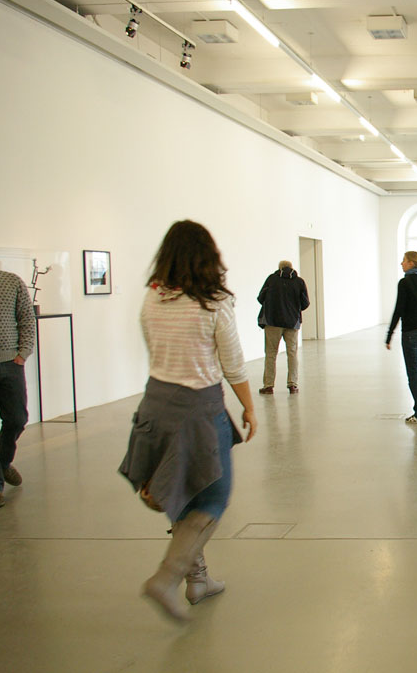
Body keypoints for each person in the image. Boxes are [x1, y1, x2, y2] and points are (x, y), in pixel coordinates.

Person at [119, 220, 257, 621]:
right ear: (208, 256)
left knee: (181, 492)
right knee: (213, 497)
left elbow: (155, 349)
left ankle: (198, 579)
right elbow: (233, 363)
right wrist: (248, 407)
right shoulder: (214, 301)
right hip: (199, 409)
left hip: (155, 404)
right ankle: (168, 577)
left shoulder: (153, 297)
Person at [0, 266, 35, 508]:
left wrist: (23, 353)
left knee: (17, 419)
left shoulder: (12, 282)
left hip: (10, 364)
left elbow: (27, 319)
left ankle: (2, 462)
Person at [386, 251, 417, 424]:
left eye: (404, 261)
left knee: (413, 372)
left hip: (411, 333)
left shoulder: (405, 282)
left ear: (411, 263)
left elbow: (399, 309)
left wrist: (389, 334)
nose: (401, 263)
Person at [257, 260, 310, 395]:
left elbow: (260, 298)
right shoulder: (299, 282)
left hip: (273, 321)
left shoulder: (271, 279)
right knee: (292, 353)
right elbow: (305, 303)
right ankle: (293, 385)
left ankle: (268, 386)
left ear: (279, 268)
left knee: (271, 354)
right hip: (292, 323)